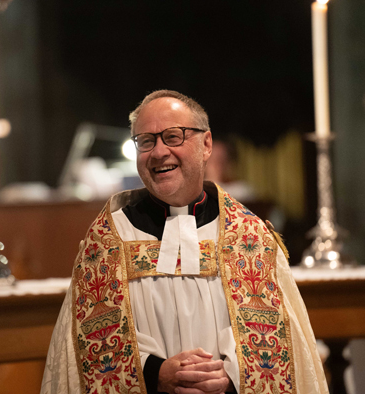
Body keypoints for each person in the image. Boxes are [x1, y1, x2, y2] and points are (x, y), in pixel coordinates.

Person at [41, 90, 328, 394]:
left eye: (173, 136)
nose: (159, 152)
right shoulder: (109, 240)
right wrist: (155, 373)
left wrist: (229, 379)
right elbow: (89, 349)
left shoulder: (250, 239)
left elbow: (278, 342)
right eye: (146, 141)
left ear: (206, 145)